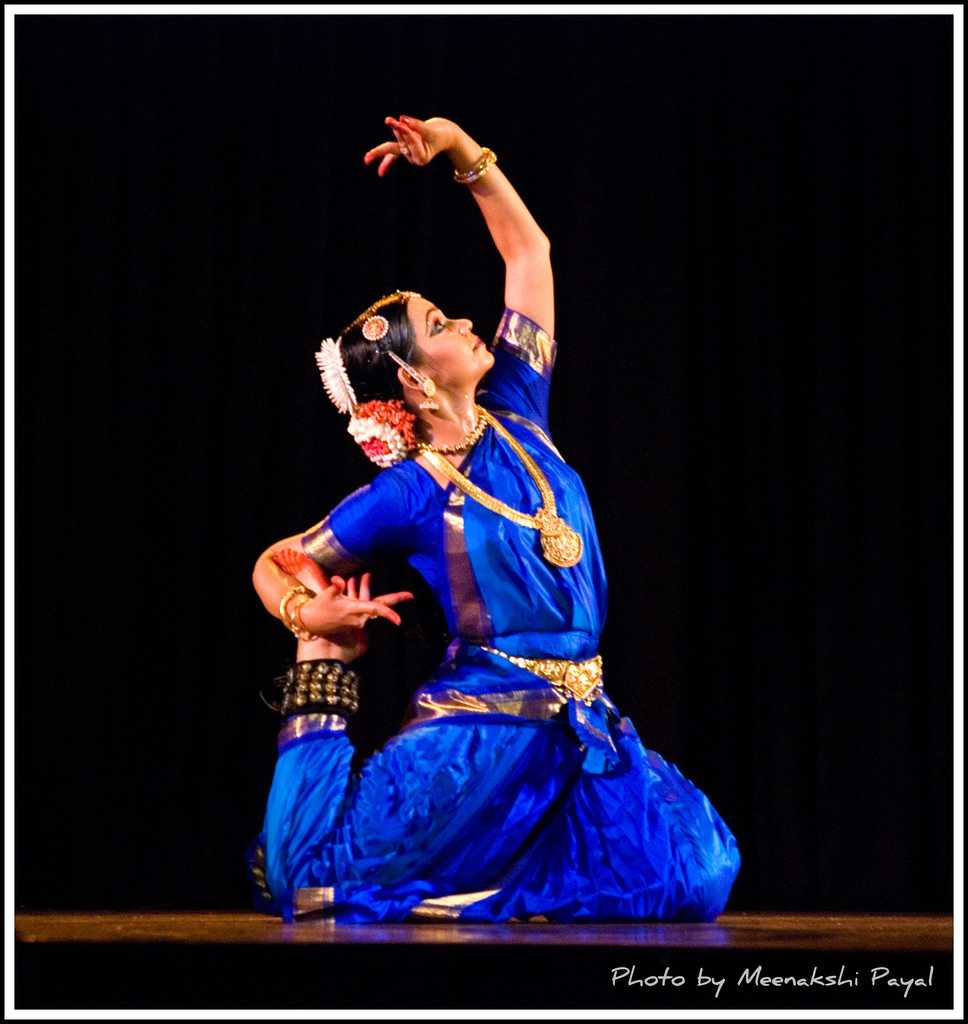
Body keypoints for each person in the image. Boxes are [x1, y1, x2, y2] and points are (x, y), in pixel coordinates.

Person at [247, 114, 741, 923]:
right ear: (410, 381)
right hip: (481, 730)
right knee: (314, 880)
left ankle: (495, 884)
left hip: (582, 725)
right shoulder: (407, 492)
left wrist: (461, 152)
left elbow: (529, 254)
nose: (468, 323)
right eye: (441, 326)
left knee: (698, 873)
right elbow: (276, 560)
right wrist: (312, 615)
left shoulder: (519, 407)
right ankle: (323, 700)